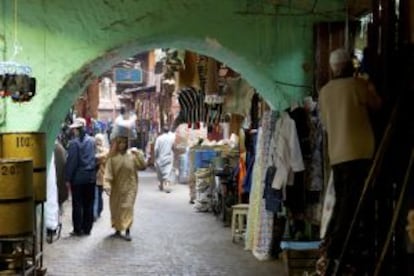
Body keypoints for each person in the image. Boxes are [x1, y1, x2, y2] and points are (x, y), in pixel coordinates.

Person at [317, 48, 382, 275]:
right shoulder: (358, 86)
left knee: (343, 199)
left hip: (337, 154)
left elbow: (325, 123)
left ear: (333, 68)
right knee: (352, 203)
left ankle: (332, 242)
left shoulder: (324, 92)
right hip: (360, 152)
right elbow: (377, 105)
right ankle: (338, 247)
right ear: (348, 65)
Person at [103, 134, 146, 241]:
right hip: (116, 188)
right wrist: (107, 185)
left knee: (127, 207)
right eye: (120, 142)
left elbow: (142, 166)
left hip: (130, 187)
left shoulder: (132, 156)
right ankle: (117, 230)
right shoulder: (112, 158)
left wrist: (139, 154)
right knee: (116, 209)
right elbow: (108, 173)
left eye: (124, 143)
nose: (122, 145)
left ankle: (127, 229)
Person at [65, 117, 97, 236]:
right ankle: (87, 229)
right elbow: (95, 158)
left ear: (76, 130)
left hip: (78, 179)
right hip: (90, 178)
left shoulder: (74, 143)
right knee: (89, 204)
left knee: (78, 204)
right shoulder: (92, 141)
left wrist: (68, 178)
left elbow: (72, 162)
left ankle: (78, 229)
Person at [154, 126, 176, 193]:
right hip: (168, 157)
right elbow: (173, 147)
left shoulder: (159, 138)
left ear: (162, 131)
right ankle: (167, 184)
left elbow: (156, 149)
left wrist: (156, 156)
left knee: (160, 172)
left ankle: (161, 184)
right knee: (168, 171)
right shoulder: (171, 139)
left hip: (160, 158)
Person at [94, 133, 109, 221]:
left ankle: (97, 212)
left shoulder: (97, 151)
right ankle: (98, 211)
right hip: (102, 176)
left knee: (97, 195)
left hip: (98, 176)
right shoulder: (106, 151)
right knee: (99, 195)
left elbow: (98, 159)